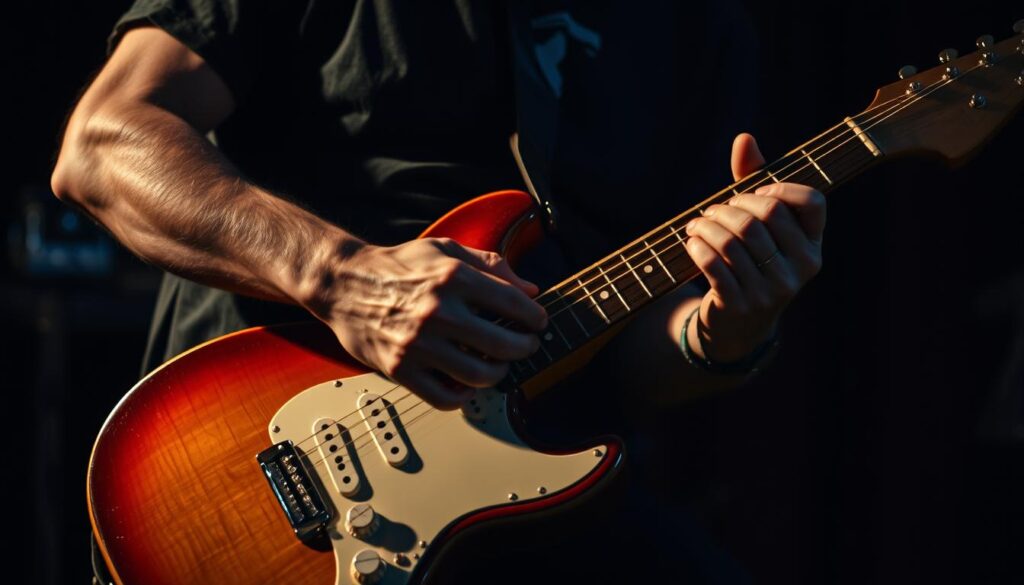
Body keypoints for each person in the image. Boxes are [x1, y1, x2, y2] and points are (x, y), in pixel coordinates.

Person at [52, 1, 825, 582]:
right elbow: (106, 141)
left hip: (533, 496)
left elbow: (641, 357)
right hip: (264, 453)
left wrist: (726, 328)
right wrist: (342, 276)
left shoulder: (700, 26)